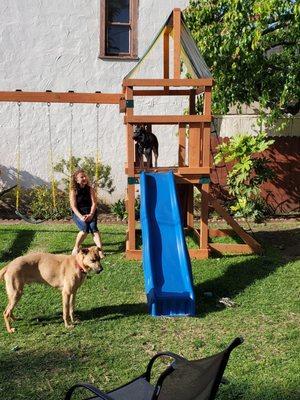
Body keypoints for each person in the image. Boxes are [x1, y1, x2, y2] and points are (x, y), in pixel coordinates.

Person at [69, 169, 104, 257]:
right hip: (78, 213)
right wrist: (81, 217)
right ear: (76, 179)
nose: (85, 178)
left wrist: (91, 214)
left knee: (93, 228)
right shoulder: (73, 190)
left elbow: (94, 203)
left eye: (85, 176)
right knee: (85, 228)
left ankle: (100, 251)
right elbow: (73, 206)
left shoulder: (90, 189)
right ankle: (76, 247)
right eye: (82, 177)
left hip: (90, 212)